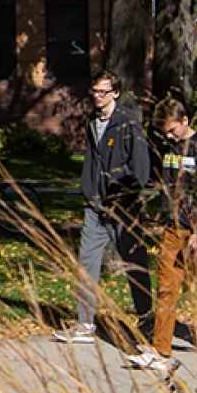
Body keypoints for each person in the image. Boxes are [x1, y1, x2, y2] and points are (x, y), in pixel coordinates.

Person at [126, 98, 197, 372]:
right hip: (174, 228)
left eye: (172, 130)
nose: (169, 136)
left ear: (185, 121)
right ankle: (161, 351)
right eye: (165, 133)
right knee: (167, 287)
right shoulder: (171, 149)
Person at [56, 71, 152, 345]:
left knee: (135, 264)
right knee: (87, 263)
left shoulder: (127, 123)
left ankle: (147, 319)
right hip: (95, 206)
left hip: (122, 208)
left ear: (116, 93)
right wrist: (88, 190)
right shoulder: (93, 123)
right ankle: (85, 322)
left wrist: (128, 196)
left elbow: (141, 167)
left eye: (104, 92)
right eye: (95, 92)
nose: (98, 98)